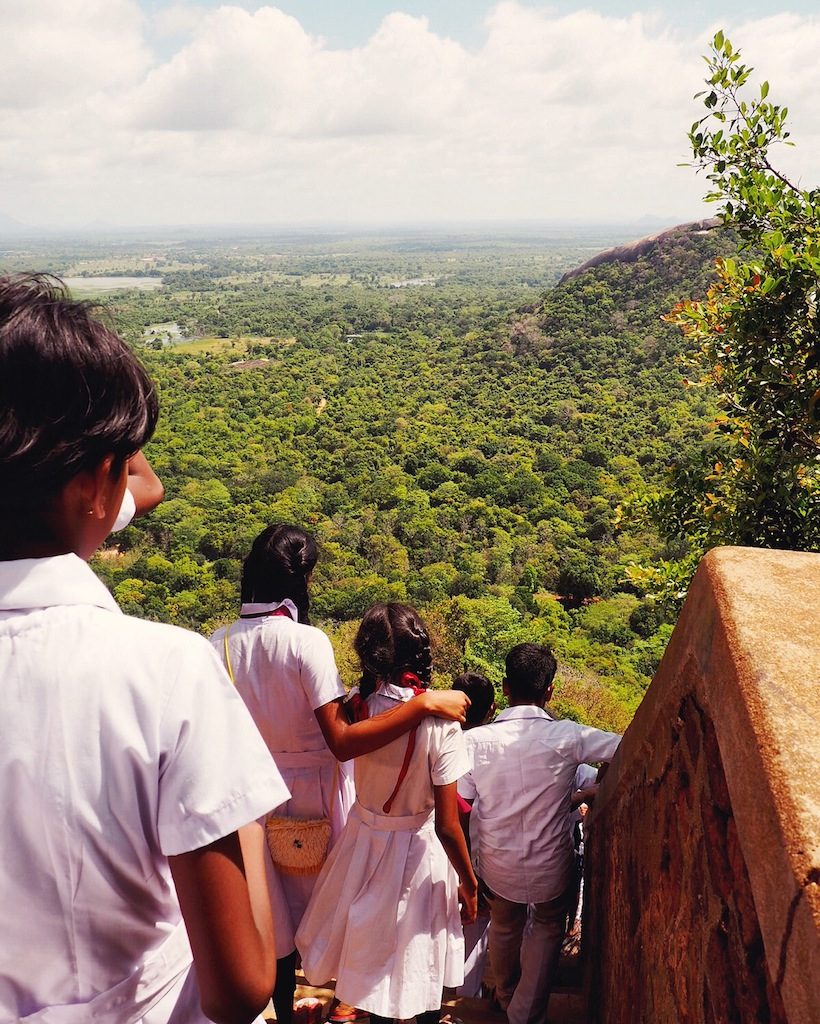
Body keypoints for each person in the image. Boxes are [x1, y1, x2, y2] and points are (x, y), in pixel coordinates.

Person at [0, 273, 289, 1024]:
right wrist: (242, 811)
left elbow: (117, 492)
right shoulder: (165, 673)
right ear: (98, 480)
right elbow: (240, 986)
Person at [210, 538, 470, 1024]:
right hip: (319, 788)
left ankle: (285, 1013)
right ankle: (353, 1004)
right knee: (348, 905)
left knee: (275, 914)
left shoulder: (217, 644)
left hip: (253, 792)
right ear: (298, 580)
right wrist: (421, 704)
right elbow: (342, 739)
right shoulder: (306, 642)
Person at [296, 603, 478, 1024]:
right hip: (418, 854)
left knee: (373, 974)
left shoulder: (357, 709)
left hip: (362, 846)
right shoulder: (442, 723)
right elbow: (449, 827)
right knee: (421, 968)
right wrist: (469, 884)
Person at [458, 643, 621, 1024]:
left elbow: (464, 803)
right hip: (552, 864)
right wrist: (588, 791)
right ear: (549, 690)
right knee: (547, 928)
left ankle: (505, 992)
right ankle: (524, 1014)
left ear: (506, 688)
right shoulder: (570, 737)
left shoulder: (473, 742)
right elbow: (627, 746)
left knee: (504, 923)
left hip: (496, 862)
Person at [451, 672, 496, 1000]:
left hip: (426, 852)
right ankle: (465, 996)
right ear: (491, 709)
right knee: (473, 930)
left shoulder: (435, 740)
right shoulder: (492, 749)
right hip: (472, 855)